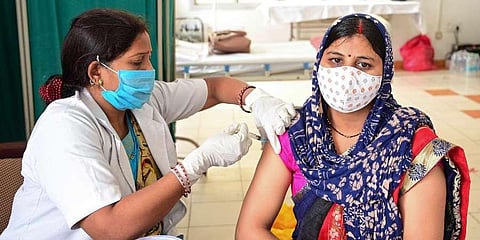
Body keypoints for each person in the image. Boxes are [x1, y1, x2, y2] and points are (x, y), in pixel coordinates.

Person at [0, 8, 296, 239]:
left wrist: (255, 99)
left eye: (149, 59)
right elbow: (110, 229)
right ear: (96, 72)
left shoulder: (141, 103)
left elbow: (217, 88)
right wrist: (196, 163)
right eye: (138, 62)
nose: (150, 71)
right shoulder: (64, 128)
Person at [236, 13, 470, 240]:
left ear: (385, 73)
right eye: (336, 60)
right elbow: (250, 229)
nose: (347, 74)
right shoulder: (297, 134)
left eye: (364, 64)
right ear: (319, 64)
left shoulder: (410, 143)